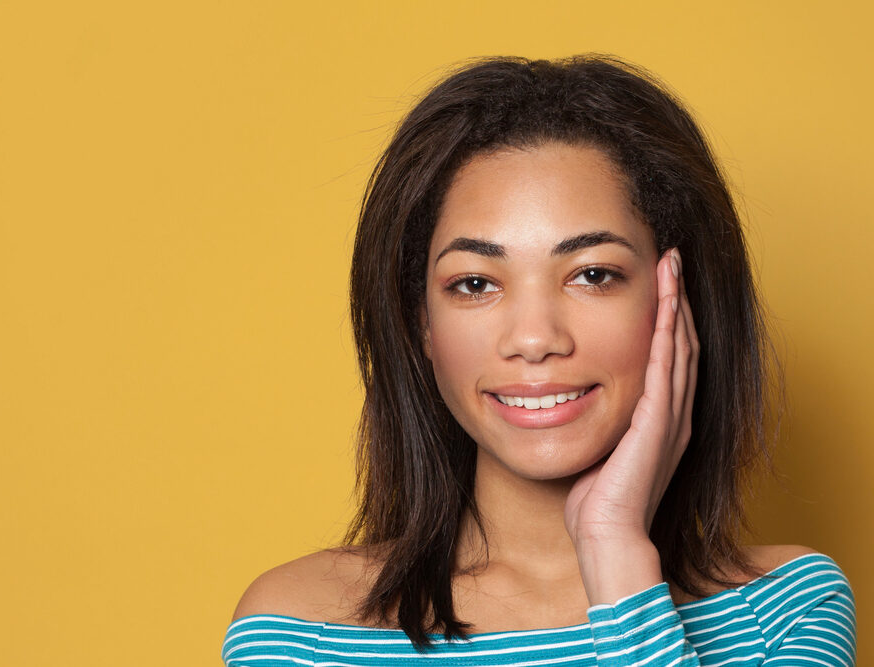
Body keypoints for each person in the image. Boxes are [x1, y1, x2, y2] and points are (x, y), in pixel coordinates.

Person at [222, 55, 856, 665]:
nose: (534, 338)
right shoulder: (300, 631)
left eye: (592, 274)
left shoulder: (786, 609)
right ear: (421, 324)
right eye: (475, 284)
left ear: (677, 299)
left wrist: (614, 550)